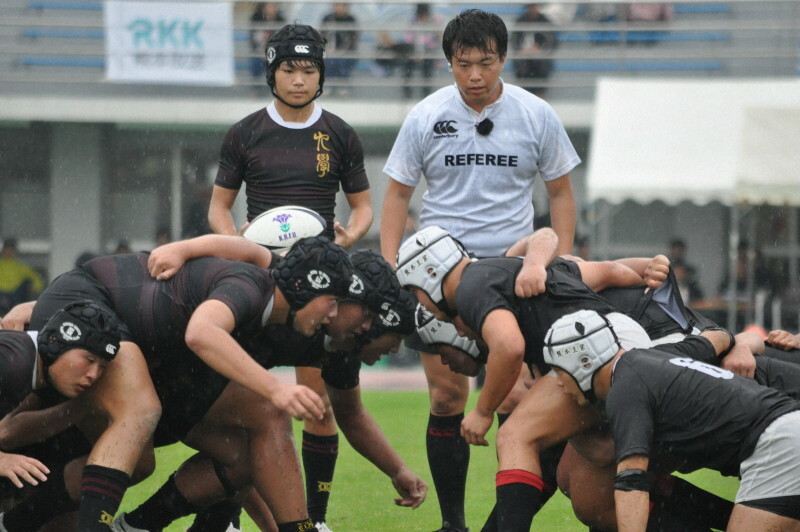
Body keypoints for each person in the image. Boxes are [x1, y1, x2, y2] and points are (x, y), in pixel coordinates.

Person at [380, 9, 580, 530]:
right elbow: (398, 192)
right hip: (441, 280)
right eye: (462, 64)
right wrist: (390, 261)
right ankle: (454, 523)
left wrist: (562, 261)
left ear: (503, 60)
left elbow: (560, 192)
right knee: (447, 397)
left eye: (484, 63)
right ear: (448, 62)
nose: (474, 75)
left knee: (521, 399)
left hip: (515, 274)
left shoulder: (536, 114)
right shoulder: (425, 115)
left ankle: (504, 521)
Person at [11, 237, 352, 532]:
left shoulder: (271, 280)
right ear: (307, 284)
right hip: (92, 301)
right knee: (141, 410)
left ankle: (31, 522)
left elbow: (249, 249)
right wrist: (277, 387)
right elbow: (201, 333)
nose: (335, 315)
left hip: (137, 339)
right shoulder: (249, 286)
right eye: (333, 301)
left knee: (157, 459)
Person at [124, 243, 428, 531]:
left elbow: (352, 416)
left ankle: (138, 523)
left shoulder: (339, 348)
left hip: (193, 380)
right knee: (264, 420)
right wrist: (185, 248)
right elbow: (252, 252)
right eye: (395, 337)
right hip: (166, 364)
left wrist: (397, 470)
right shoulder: (296, 290)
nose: (395, 351)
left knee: (247, 450)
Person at [207, 21, 373, 531]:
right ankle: (229, 519)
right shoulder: (245, 133)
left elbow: (363, 207)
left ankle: (314, 520)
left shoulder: (339, 134)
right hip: (259, 283)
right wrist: (237, 246)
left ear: (320, 75)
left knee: (317, 402)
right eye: (288, 69)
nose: (298, 80)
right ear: (271, 73)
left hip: (319, 288)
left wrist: (347, 239)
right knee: (242, 405)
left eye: (308, 70)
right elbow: (219, 209)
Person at [544, 309, 800, 531]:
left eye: (558, 372)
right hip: (786, 431)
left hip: (778, 445)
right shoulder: (657, 355)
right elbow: (718, 336)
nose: (560, 385)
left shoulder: (624, 390)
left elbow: (631, 481)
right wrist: (741, 344)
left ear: (584, 363)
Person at [0, 302, 121, 530]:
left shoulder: (24, 362)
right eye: (89, 360)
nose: (93, 375)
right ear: (55, 342)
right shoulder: (13, 364)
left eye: (103, 366)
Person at [512, 4, 557, 98]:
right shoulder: (520, 21)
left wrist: (539, 49)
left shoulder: (545, 21)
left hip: (540, 59)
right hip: (524, 59)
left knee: (541, 68)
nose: (533, 9)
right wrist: (522, 50)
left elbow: (551, 42)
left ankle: (540, 96)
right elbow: (514, 40)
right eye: (531, 6)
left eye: (535, 6)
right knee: (523, 69)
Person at [401, 3, 441, 99]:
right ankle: (407, 91)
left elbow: (438, 39)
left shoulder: (435, 21)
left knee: (427, 65)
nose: (423, 17)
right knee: (406, 64)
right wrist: (416, 52)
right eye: (421, 15)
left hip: (429, 50)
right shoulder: (412, 22)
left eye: (424, 14)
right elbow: (408, 38)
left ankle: (426, 93)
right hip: (414, 50)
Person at [321, 3, 359, 95]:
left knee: (343, 60)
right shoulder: (327, 18)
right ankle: (329, 83)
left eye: (343, 5)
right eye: (338, 5)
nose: (340, 7)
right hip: (329, 51)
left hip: (347, 51)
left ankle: (343, 84)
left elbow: (353, 39)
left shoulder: (351, 20)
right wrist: (328, 48)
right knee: (329, 60)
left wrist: (342, 51)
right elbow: (322, 36)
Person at [0, 238, 44, 316]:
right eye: (7, 249)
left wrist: (36, 287)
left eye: (11, 250)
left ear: (15, 252)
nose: (9, 252)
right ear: (3, 251)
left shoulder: (20, 266)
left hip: (15, 296)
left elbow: (35, 277)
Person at [249, 2, 285, 79]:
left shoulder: (280, 19)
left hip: (276, 51)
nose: (271, 9)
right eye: (269, 7)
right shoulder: (256, 18)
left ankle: (276, 85)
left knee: (279, 64)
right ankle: (256, 88)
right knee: (256, 62)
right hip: (260, 50)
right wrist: (262, 53)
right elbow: (254, 40)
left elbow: (282, 40)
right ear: (263, 8)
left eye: (273, 6)